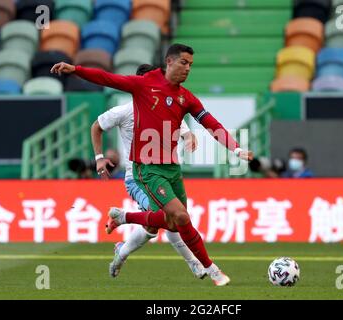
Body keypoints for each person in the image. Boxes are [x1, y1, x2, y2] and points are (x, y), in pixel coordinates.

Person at [50, 44, 254, 286]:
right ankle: (210, 268)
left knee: (172, 222)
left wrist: (236, 148)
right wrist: (75, 69)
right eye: (184, 62)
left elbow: (211, 123)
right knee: (179, 216)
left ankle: (124, 217)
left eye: (191, 64)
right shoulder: (142, 86)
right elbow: (107, 78)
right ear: (169, 61)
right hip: (144, 170)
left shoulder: (184, 97)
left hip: (171, 169)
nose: (188, 68)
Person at [91, 64, 206, 279]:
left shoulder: (165, 109)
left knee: (165, 222)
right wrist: (99, 159)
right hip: (137, 177)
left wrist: (190, 137)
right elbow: (96, 126)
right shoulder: (123, 111)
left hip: (165, 175)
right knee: (169, 220)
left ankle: (121, 247)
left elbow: (185, 131)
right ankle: (194, 263)